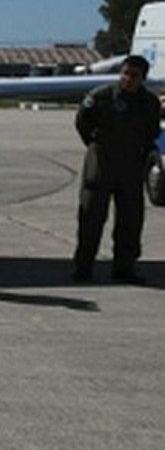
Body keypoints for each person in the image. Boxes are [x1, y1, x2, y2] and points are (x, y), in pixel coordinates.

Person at [72, 54, 161, 284]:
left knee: (130, 219)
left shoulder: (149, 103)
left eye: (134, 75)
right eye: (125, 73)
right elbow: (83, 121)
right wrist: (95, 145)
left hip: (131, 163)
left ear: (143, 78)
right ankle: (83, 266)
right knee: (91, 214)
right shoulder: (102, 96)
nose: (128, 79)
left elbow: (152, 131)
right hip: (102, 160)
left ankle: (124, 268)